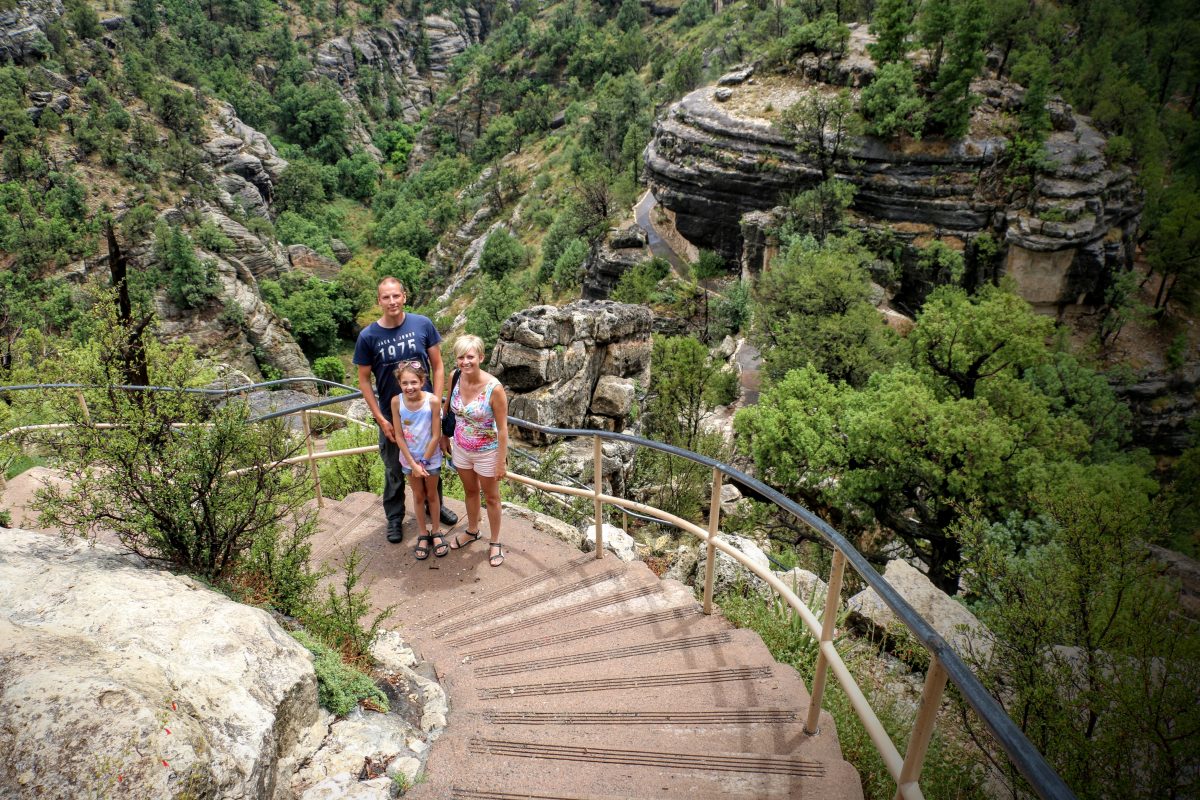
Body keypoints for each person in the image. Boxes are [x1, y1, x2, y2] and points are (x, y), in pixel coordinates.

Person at [354, 277, 458, 543]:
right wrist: (380, 418)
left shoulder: (422, 324)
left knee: (430, 460)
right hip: (393, 416)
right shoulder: (368, 337)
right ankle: (394, 518)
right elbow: (364, 379)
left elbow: (438, 366)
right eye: (386, 297)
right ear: (379, 301)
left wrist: (437, 407)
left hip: (425, 412)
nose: (392, 302)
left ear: (404, 296)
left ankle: (434, 505)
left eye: (395, 296)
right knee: (394, 468)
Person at [446, 335, 509, 567]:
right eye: (461, 357)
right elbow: (449, 410)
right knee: (470, 491)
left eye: (470, 356)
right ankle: (472, 530)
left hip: (487, 452)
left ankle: (495, 542)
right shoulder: (455, 377)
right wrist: (445, 435)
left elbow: (503, 429)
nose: (465, 361)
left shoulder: (494, 389)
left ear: (481, 357)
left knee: (492, 497)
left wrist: (501, 461)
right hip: (461, 448)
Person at [390, 362, 447, 559]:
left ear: (422, 381)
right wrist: (413, 464)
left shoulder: (432, 401)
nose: (409, 387)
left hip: (430, 458)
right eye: (404, 383)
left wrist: (422, 463)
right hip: (409, 460)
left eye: (414, 382)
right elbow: (398, 435)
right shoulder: (396, 402)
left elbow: (435, 435)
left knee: (432, 495)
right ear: (399, 383)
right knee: (418, 495)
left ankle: (437, 530)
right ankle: (423, 533)